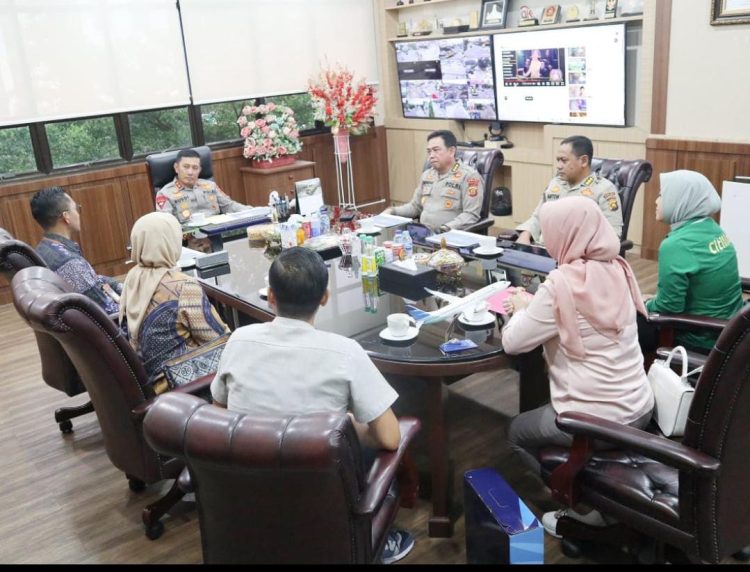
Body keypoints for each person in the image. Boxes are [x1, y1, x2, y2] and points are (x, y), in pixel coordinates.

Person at [210, 247, 414, 564]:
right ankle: (367, 540)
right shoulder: (345, 352)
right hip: (321, 503)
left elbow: (219, 413)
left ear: (271, 297)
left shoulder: (238, 340)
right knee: (366, 439)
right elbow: (390, 437)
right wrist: (347, 424)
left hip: (245, 497)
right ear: (325, 298)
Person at [501, 197, 654, 538]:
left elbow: (513, 342)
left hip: (595, 422)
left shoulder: (561, 284)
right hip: (641, 408)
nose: (545, 240)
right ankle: (600, 494)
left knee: (516, 434)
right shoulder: (620, 267)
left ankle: (583, 507)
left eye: (548, 232)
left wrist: (520, 308)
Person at [119, 212, 229, 393]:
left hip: (149, 381)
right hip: (180, 387)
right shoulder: (184, 287)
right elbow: (219, 340)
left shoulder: (133, 277)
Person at [643, 170, 743, 353]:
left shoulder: (676, 245)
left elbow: (669, 307)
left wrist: (644, 304)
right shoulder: (712, 228)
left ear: (682, 200)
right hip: (733, 331)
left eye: (662, 195)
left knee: (631, 322)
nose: (656, 201)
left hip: (702, 339)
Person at [516, 135, 623, 245]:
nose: (558, 166)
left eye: (564, 160)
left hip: (579, 256)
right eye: (558, 160)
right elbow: (538, 217)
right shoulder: (555, 183)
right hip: (543, 250)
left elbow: (612, 235)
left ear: (584, 161)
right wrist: (525, 236)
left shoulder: (604, 189)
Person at [30, 186, 121, 314]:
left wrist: (123, 288)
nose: (78, 213)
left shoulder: (43, 248)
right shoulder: (69, 263)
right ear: (66, 217)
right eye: (76, 208)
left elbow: (94, 280)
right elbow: (109, 311)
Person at [382, 130, 483, 232]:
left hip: (449, 238)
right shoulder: (427, 175)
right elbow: (415, 207)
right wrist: (392, 211)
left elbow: (470, 215)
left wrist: (446, 228)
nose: (431, 155)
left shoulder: (469, 176)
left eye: (436, 150)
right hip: (423, 236)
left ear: (451, 151)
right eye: (429, 151)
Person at [155, 148, 248, 224]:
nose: (190, 172)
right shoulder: (165, 194)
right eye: (186, 167)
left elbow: (229, 206)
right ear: (176, 168)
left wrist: (253, 211)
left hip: (215, 232)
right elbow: (166, 223)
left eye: (195, 168)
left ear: (200, 170)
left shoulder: (210, 186)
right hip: (187, 239)